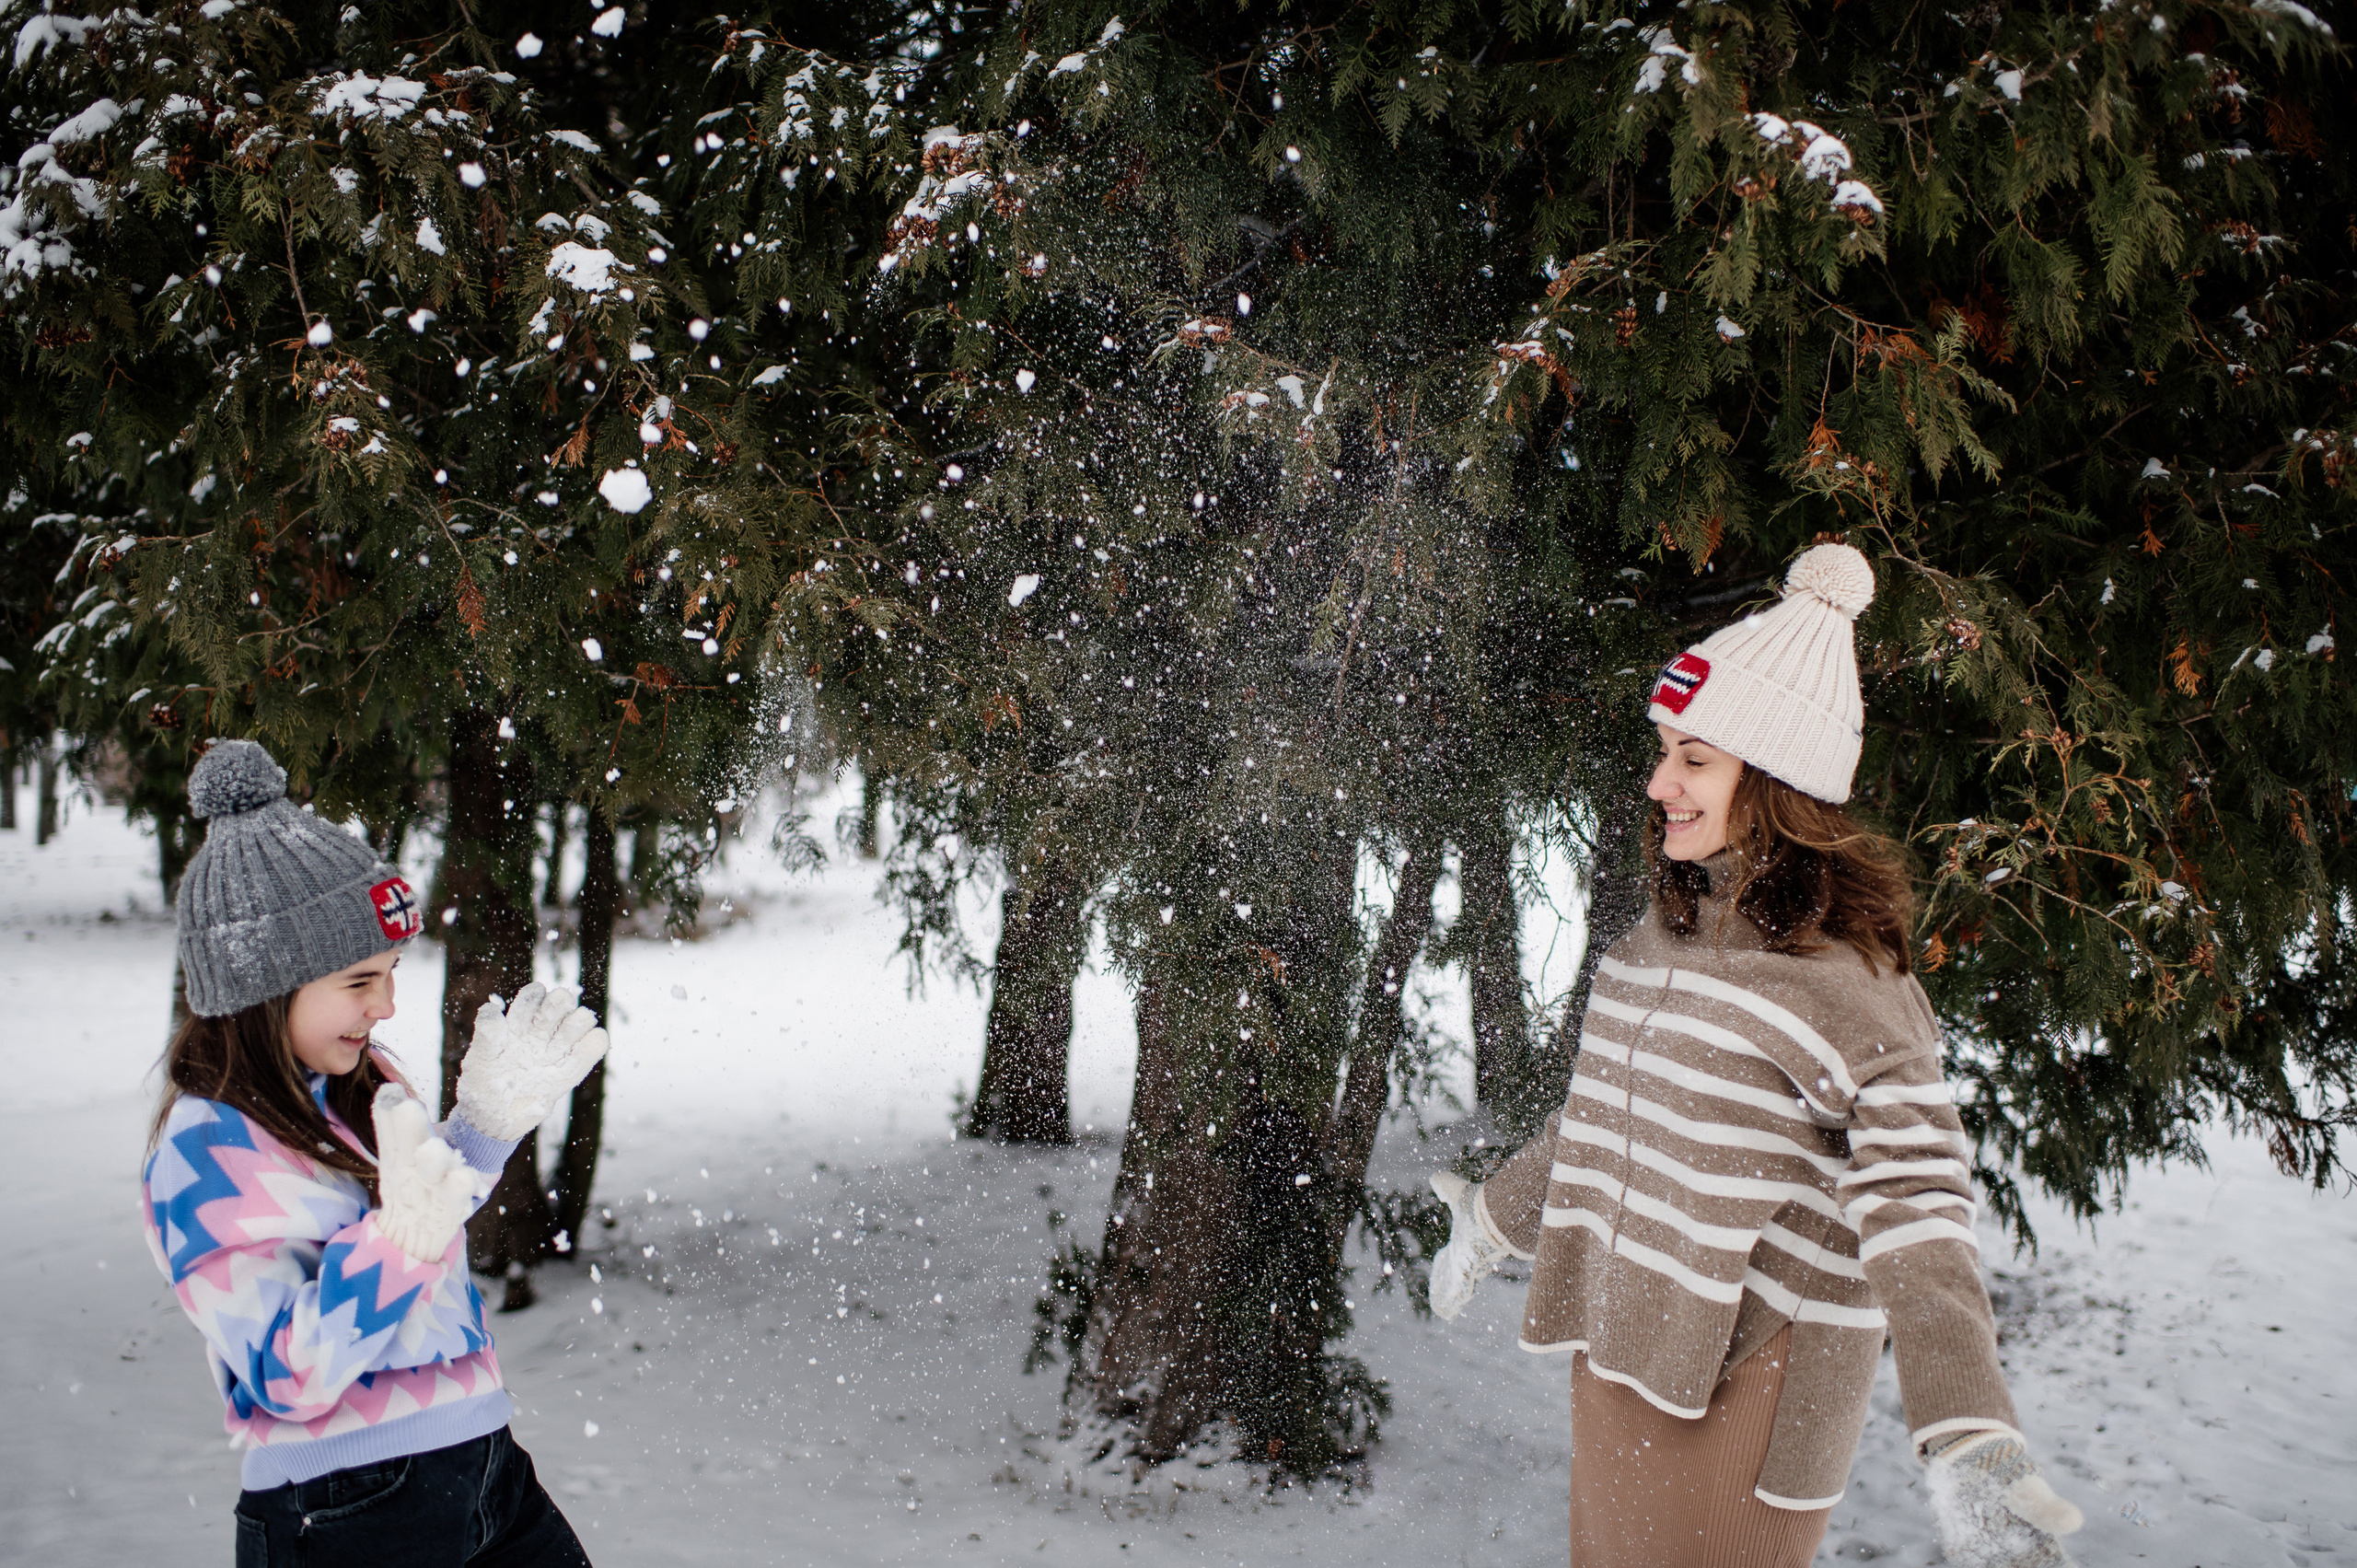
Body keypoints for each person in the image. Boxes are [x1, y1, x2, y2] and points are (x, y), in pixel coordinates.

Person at [1427, 544, 2084, 1568]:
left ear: (1772, 782)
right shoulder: (1665, 936)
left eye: (1694, 756)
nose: (1659, 781)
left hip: (1745, 1382)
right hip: (1621, 1351)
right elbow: (1603, 1120)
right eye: (1662, 748)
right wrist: (1490, 1218)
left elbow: (1917, 1205)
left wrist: (1969, 1433)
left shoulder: (1846, 982)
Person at [142, 740, 610, 1566]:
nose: (387, 1005)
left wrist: (485, 1127)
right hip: (347, 1506)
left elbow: (424, 1217)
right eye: (360, 981)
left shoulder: (360, 1083)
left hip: (484, 1463)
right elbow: (284, 1370)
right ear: (261, 984)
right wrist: (397, 1238)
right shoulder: (202, 1155)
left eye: (391, 973)